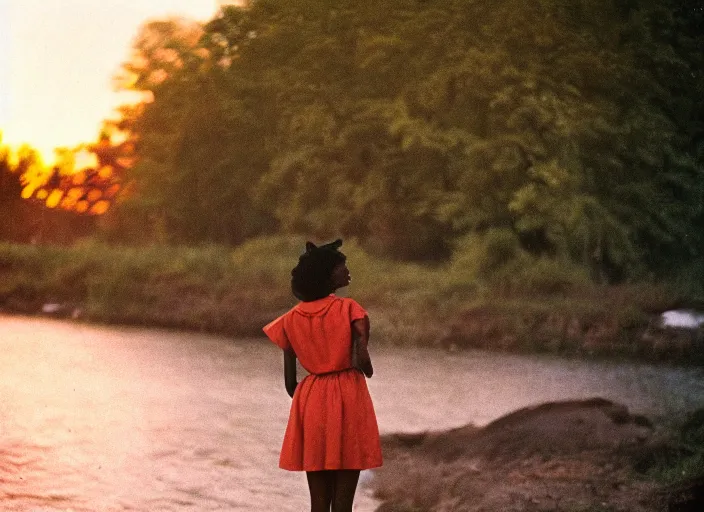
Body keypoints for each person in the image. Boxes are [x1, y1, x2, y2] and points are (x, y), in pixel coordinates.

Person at [263, 239, 382, 512]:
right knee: (343, 503)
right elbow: (364, 360)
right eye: (342, 266)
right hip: (348, 395)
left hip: (311, 400)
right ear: (328, 274)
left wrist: (311, 395)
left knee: (318, 502)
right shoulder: (350, 309)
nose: (347, 270)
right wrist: (366, 370)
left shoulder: (290, 319)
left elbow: (290, 383)